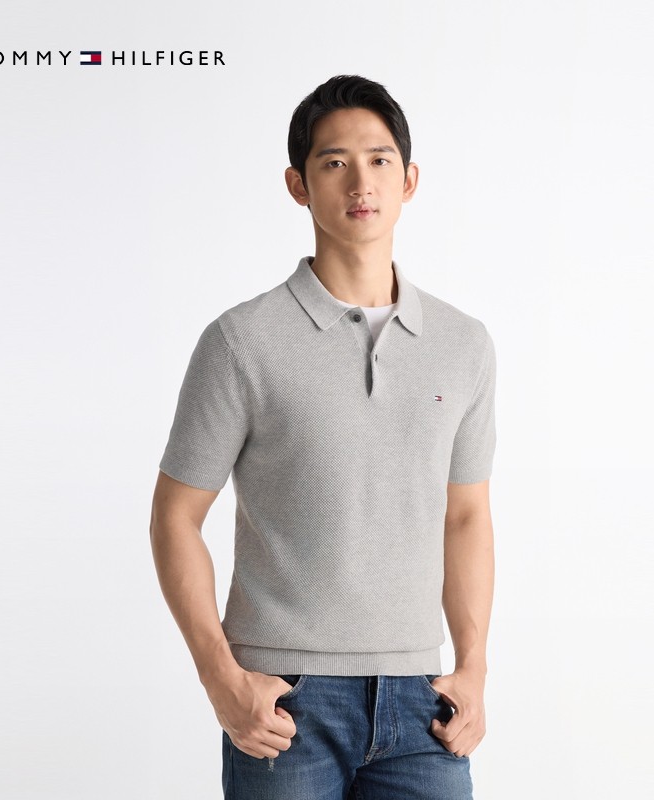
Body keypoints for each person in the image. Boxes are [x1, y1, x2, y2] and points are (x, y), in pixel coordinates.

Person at [149, 74, 497, 799]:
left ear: (409, 180)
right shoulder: (241, 342)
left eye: (378, 160)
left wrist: (473, 667)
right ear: (298, 185)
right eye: (334, 162)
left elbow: (465, 515)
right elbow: (175, 517)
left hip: (423, 700)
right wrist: (221, 678)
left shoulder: (463, 344)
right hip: (285, 700)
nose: (360, 182)